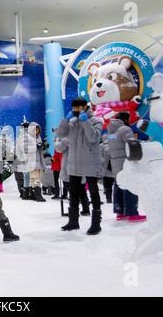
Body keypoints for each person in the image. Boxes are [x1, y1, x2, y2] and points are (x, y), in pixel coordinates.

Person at [57, 97, 103, 235]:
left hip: (90, 162)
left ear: (85, 107)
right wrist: (66, 120)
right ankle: (73, 222)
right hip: (74, 163)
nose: (76, 111)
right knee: (74, 193)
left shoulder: (96, 121)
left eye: (78, 108)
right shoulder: (72, 122)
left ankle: (96, 224)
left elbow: (93, 137)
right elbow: (60, 134)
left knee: (94, 192)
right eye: (74, 108)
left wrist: (85, 121)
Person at [106, 112, 147, 222]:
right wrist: (139, 143)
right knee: (130, 185)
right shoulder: (125, 129)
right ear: (125, 119)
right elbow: (131, 145)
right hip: (125, 162)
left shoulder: (111, 131)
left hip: (115, 162)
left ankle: (120, 212)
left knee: (119, 185)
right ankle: (132, 213)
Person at [54, 137, 89, 215]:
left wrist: (56, 141)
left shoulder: (67, 139)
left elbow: (58, 148)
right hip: (82, 166)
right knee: (82, 190)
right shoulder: (84, 137)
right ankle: (86, 209)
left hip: (70, 168)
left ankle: (73, 211)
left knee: (72, 190)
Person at [100, 134, 114, 204]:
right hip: (114, 168)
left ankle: (108, 198)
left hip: (105, 169)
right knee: (115, 184)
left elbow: (99, 157)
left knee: (107, 184)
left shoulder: (101, 146)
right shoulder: (115, 145)